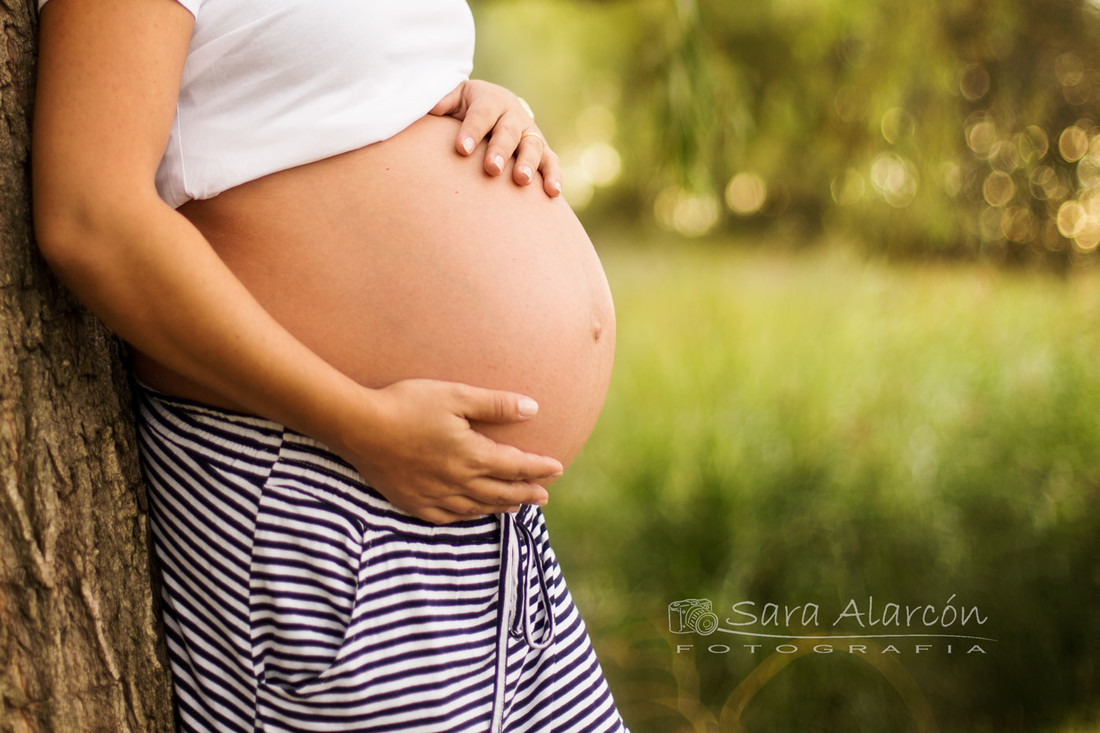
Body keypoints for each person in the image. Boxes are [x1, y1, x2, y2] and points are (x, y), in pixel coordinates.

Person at [33, 0, 627, 730]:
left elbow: (321, 96)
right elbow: (91, 215)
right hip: (320, 485)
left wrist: (481, 105)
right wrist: (356, 422)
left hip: (480, 521)